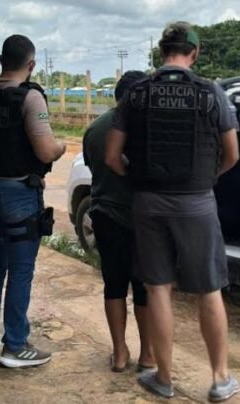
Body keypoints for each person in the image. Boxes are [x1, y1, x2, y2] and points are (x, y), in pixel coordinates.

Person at [106, 21, 240, 402]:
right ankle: (220, 379)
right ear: (194, 53)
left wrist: (140, 179)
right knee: (209, 290)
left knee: (158, 289)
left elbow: (112, 157)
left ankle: (163, 378)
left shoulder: (136, 94)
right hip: (197, 202)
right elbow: (233, 155)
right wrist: (205, 179)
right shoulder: (210, 92)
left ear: (161, 52)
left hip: (148, 202)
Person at [0, 35, 66, 368]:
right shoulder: (30, 97)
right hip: (19, 194)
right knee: (21, 270)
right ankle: (15, 346)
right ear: (31, 64)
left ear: (0, 59)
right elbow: (45, 151)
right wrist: (62, 146)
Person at [82, 70, 155, 373]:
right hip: (142, 218)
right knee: (144, 287)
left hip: (104, 215)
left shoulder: (96, 128)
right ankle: (148, 354)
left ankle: (120, 352)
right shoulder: (146, 127)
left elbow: (93, 167)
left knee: (113, 284)